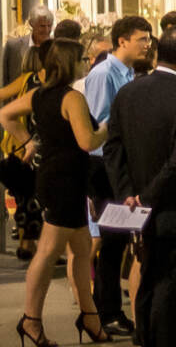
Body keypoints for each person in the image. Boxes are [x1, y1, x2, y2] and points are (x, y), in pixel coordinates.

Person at [3, 38, 110, 347]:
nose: (87, 63)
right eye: (82, 59)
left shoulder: (40, 94)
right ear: (68, 63)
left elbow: (5, 114)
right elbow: (87, 142)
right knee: (48, 251)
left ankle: (90, 317)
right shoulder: (71, 98)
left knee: (79, 249)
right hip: (65, 179)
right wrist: (105, 126)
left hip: (57, 176)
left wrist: (30, 141)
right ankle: (31, 320)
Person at [104, 25, 176, 347]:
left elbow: (113, 148)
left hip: (137, 207)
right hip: (175, 209)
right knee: (171, 290)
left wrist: (128, 195)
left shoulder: (128, 92)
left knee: (148, 280)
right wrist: (145, 197)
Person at [85, 15, 153, 339]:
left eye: (149, 39)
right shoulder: (103, 74)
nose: (147, 44)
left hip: (121, 165)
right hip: (104, 166)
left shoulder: (127, 73)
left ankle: (111, 310)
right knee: (111, 241)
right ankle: (105, 311)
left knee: (119, 242)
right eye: (142, 38)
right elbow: (99, 126)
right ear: (122, 40)